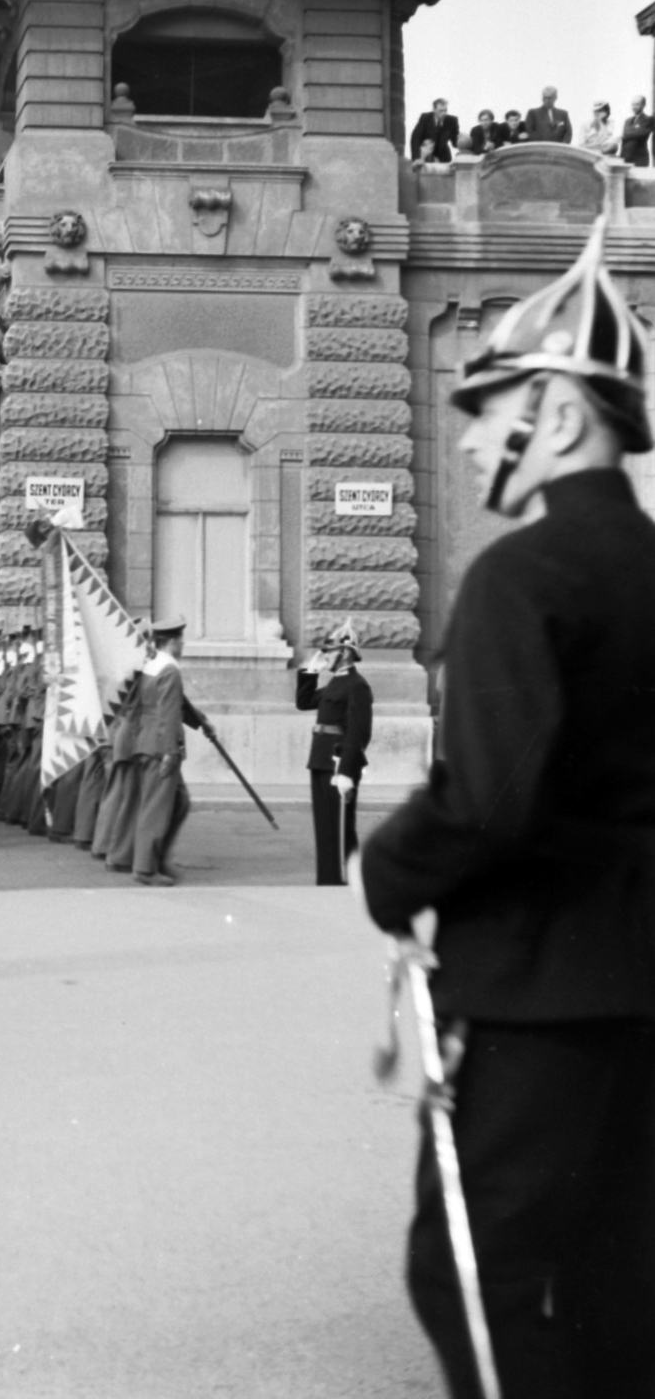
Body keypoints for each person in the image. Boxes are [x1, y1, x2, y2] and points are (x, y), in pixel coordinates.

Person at [358, 221, 655, 1397]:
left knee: (470, 1277)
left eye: (490, 405)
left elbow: (485, 800)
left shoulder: (518, 578)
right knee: (617, 1278)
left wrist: (389, 870)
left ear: (562, 415)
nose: (474, 431)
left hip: (536, 991)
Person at [125, 615, 210, 885]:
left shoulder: (153, 665)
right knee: (156, 808)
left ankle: (157, 858)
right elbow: (170, 714)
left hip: (147, 741)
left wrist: (201, 722)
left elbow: (178, 705)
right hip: (159, 747)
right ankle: (145, 868)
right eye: (180, 640)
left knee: (179, 803)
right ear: (171, 642)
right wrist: (170, 753)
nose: (183, 645)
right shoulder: (170, 670)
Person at [295, 619, 373, 886]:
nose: (325, 656)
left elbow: (359, 732)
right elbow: (303, 702)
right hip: (320, 759)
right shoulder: (334, 683)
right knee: (325, 827)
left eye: (330, 652)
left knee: (339, 827)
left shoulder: (357, 685)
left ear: (346, 653)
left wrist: (348, 772)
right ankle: (328, 879)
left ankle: (342, 880)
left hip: (338, 763)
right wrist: (310, 671)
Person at [409, 98, 459, 164]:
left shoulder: (452, 121)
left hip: (444, 157)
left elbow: (455, 141)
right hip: (427, 155)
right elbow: (415, 138)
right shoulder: (425, 118)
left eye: (445, 110)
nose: (444, 113)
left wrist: (463, 142)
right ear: (434, 110)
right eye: (441, 111)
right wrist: (416, 158)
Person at [620, 94, 653, 166]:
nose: (634, 107)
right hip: (625, 160)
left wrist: (626, 134)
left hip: (639, 160)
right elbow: (625, 139)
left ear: (643, 105)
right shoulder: (627, 121)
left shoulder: (648, 119)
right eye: (633, 104)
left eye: (637, 104)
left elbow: (640, 134)